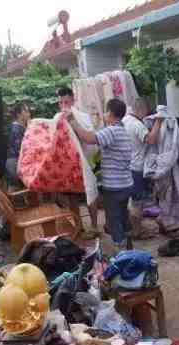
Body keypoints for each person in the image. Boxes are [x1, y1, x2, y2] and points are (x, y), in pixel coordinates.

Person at [65, 99, 134, 251]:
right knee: (123, 217)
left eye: (105, 111)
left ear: (110, 113)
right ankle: (129, 248)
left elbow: (89, 139)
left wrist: (72, 121)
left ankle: (122, 254)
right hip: (126, 184)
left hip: (114, 187)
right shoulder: (122, 130)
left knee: (114, 220)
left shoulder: (112, 131)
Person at [57, 87, 100, 239]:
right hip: (69, 165)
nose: (63, 106)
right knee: (72, 196)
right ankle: (79, 225)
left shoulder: (82, 116)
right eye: (61, 102)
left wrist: (72, 122)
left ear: (73, 100)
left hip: (85, 162)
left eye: (66, 102)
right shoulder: (58, 118)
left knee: (90, 193)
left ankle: (94, 226)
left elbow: (90, 137)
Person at [122, 98, 162, 239]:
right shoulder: (137, 125)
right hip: (137, 168)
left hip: (127, 166)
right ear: (142, 110)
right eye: (146, 113)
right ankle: (137, 231)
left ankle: (135, 228)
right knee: (137, 202)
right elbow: (150, 139)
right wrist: (159, 121)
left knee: (133, 200)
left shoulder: (125, 120)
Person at [6, 102, 30, 191]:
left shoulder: (19, 127)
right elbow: (20, 149)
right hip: (15, 163)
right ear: (19, 114)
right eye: (26, 111)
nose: (29, 114)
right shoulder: (16, 129)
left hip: (14, 161)